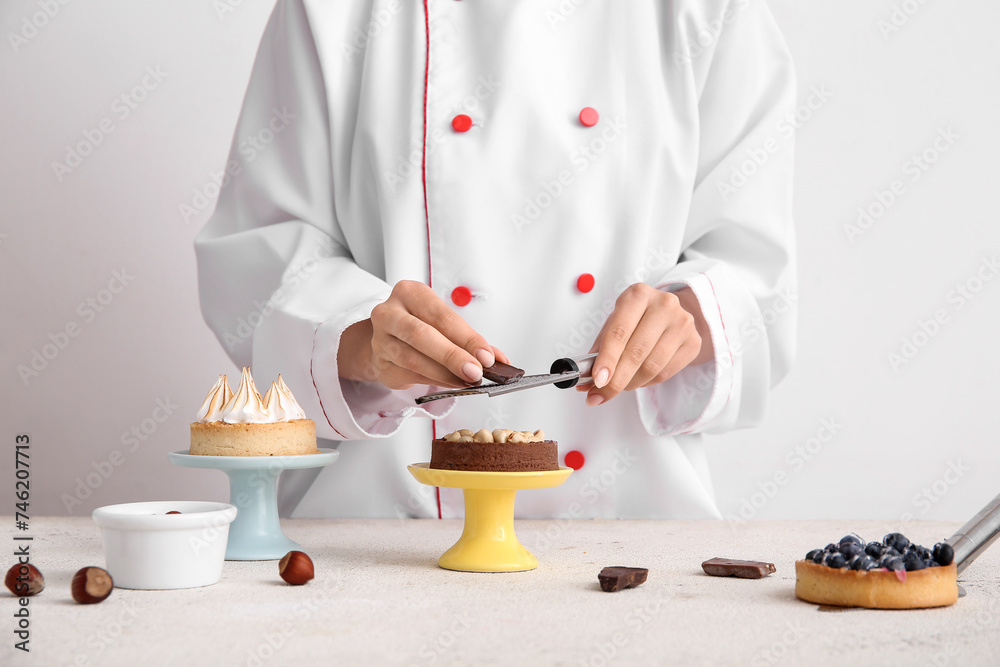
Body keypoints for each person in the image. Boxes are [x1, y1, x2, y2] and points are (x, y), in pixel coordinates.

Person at [195, 0, 796, 520]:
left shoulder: (710, 8)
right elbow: (259, 255)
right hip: (379, 529)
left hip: (631, 523)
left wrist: (688, 318)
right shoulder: (331, 10)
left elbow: (754, 269)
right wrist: (365, 340)